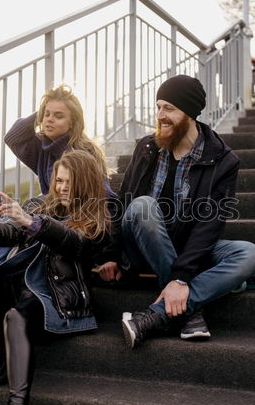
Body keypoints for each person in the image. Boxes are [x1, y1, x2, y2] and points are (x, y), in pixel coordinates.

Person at [0, 150, 112, 405]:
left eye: (69, 182)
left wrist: (31, 222)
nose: (61, 187)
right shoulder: (41, 206)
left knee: (16, 315)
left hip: (53, 301)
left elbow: (73, 244)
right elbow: (9, 235)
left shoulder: (96, 221)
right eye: (58, 181)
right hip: (16, 288)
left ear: (85, 183)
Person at [99, 74, 255, 347]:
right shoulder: (147, 147)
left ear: (190, 113)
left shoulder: (223, 160)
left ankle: (158, 314)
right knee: (143, 205)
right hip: (142, 245)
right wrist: (111, 254)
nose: (160, 115)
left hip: (188, 251)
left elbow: (211, 223)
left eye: (169, 108)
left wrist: (181, 277)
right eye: (158, 107)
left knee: (249, 253)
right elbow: (122, 204)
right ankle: (189, 310)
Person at [4, 83, 116, 199]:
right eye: (47, 114)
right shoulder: (44, 149)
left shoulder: (83, 152)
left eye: (58, 116)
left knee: (35, 203)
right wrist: (42, 111)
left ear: (72, 122)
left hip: (80, 213)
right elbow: (12, 137)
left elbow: (100, 195)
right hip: (54, 212)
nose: (49, 120)